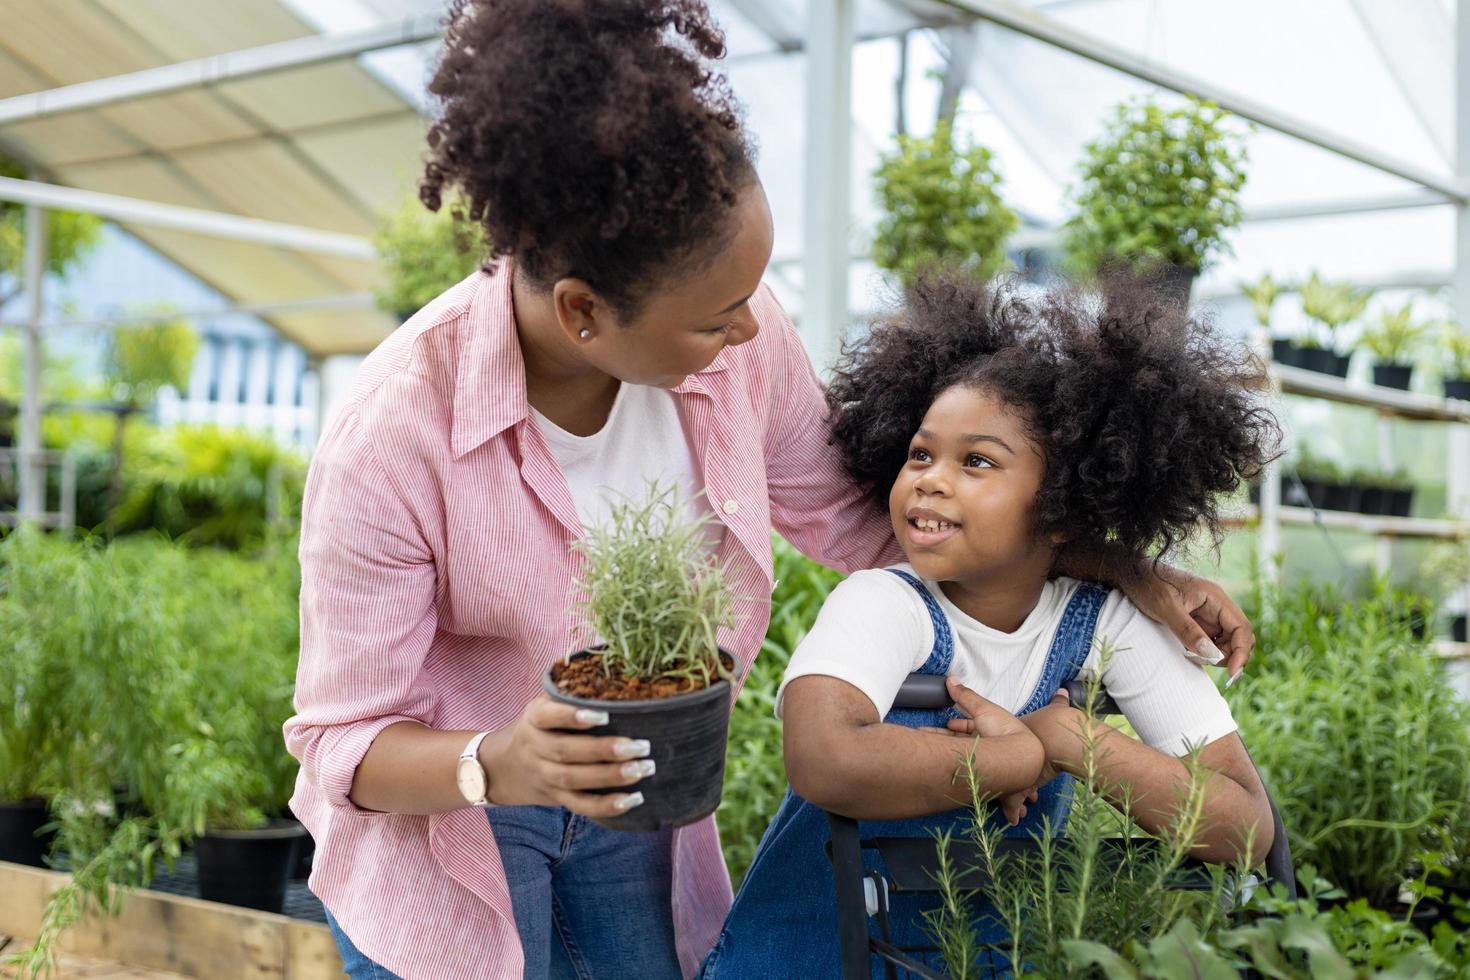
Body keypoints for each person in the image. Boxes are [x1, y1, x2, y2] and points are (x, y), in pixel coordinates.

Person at [282, 2, 1257, 977]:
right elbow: (344, 740)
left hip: (634, 807)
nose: (752, 332)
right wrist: (499, 760)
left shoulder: (736, 350)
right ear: (584, 310)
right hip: (452, 835)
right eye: (717, 316)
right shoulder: (393, 439)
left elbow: (864, 515)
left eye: (753, 294)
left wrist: (1121, 567)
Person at [699, 273, 1281, 978]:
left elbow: (1246, 829)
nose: (931, 479)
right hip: (805, 960)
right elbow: (824, 758)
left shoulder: (1107, 622)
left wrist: (1074, 738)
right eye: (921, 453)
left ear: (1063, 508)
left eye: (976, 461)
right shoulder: (884, 602)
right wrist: (1019, 758)